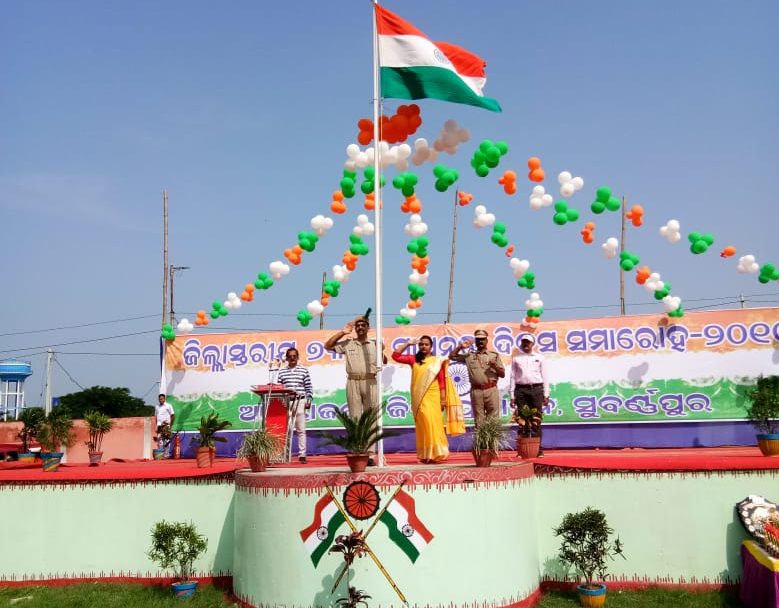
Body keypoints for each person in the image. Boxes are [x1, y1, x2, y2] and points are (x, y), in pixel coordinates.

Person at [324, 310, 387, 466]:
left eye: (363, 325)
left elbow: (384, 361)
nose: (360, 327)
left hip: (370, 381)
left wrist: (381, 351)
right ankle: (359, 451)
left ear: (368, 328)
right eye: (357, 325)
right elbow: (328, 346)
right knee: (355, 419)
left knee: (371, 419)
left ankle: (370, 455)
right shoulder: (348, 343)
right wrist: (343, 332)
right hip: (353, 382)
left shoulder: (374, 344)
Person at [392, 336, 465, 463]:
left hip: (434, 397)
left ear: (431, 347)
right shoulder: (414, 359)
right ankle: (425, 454)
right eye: (421, 344)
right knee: (423, 424)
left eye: (426, 344)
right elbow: (395, 356)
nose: (423, 346)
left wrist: (443, 400)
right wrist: (408, 344)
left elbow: (441, 382)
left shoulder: (437, 361)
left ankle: (437, 453)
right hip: (419, 397)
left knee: (434, 423)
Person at [449, 327, 505, 426]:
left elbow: (502, 374)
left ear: (486, 340)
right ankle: (481, 437)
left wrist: (495, 366)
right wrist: (460, 347)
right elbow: (452, 356)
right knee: (479, 420)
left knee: (493, 420)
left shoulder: (494, 355)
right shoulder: (469, 356)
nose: (480, 341)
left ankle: (492, 437)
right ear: (475, 341)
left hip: (491, 389)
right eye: (478, 339)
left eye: (482, 339)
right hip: (476, 391)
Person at [510, 334, 549, 456]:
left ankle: (538, 449)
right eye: (524, 342)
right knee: (522, 419)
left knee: (536, 419)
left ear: (532, 344)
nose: (526, 344)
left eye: (528, 342)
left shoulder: (540, 358)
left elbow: (545, 376)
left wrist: (546, 394)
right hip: (521, 390)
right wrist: (512, 395)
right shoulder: (516, 358)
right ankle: (523, 449)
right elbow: (512, 377)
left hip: (536, 389)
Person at [277, 347, 313, 464]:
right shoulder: (282, 372)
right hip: (286, 402)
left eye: (294, 356)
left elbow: (308, 387)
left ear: (297, 357)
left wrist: (309, 400)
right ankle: (284, 454)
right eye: (290, 356)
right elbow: (279, 387)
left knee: (301, 429)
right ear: (286, 358)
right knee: (286, 429)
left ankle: (302, 454)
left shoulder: (303, 370)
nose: (292, 358)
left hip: (300, 401)